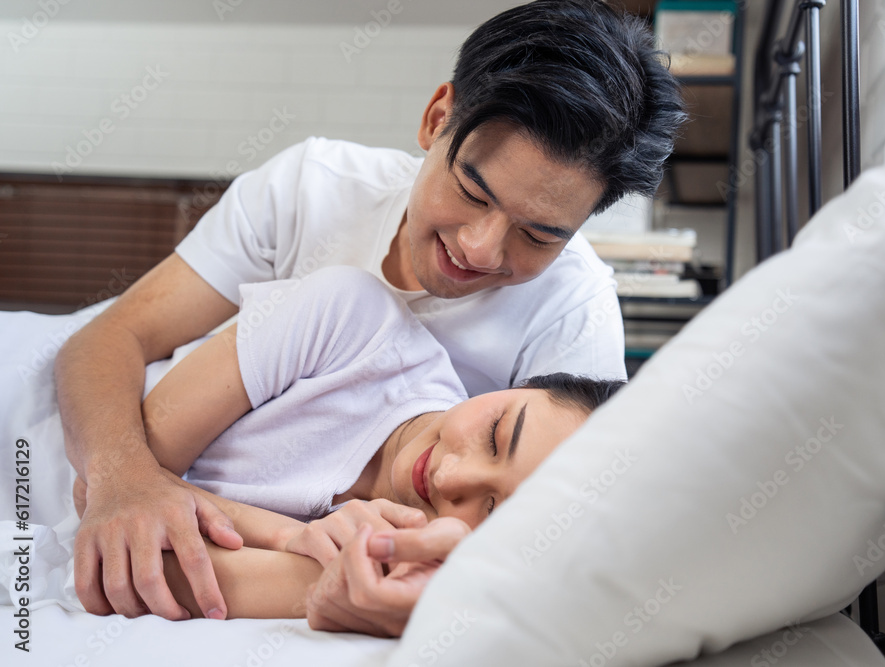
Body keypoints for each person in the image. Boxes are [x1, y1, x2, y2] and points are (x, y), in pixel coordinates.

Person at [54, 0, 683, 631]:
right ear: (438, 118)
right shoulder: (314, 196)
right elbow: (112, 336)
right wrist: (126, 481)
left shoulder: (573, 319)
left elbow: (563, 557)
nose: (480, 248)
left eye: (540, 236)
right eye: (472, 192)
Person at [65, 265, 624, 627]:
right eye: (497, 435)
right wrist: (291, 538)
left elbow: (148, 571)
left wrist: (346, 573)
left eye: (493, 510)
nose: (451, 479)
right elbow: (109, 490)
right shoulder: (351, 323)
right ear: (516, 384)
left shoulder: (402, 570)